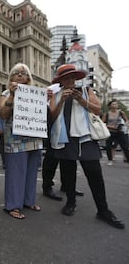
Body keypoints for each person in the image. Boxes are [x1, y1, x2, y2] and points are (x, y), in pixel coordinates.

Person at [49, 64, 124, 229]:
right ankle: (70, 202)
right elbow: (52, 116)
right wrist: (61, 100)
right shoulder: (56, 94)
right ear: (60, 80)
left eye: (72, 77)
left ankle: (103, 210)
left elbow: (97, 110)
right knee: (68, 174)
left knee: (95, 174)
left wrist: (81, 100)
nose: (70, 80)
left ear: (76, 78)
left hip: (86, 138)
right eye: (66, 77)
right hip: (64, 139)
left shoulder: (86, 90)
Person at [0, 63, 43, 219]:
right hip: (15, 139)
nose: (19, 75)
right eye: (15, 72)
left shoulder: (37, 94)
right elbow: (3, 114)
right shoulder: (6, 93)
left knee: (31, 171)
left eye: (23, 73)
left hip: (34, 138)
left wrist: (47, 100)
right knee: (16, 172)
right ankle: (13, 205)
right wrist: (12, 96)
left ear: (28, 78)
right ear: (11, 77)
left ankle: (28, 201)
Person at [102, 99, 129, 166]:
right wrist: (109, 126)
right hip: (110, 132)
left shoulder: (120, 112)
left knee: (125, 146)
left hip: (119, 131)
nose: (115, 105)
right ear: (110, 106)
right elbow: (102, 123)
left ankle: (128, 159)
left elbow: (126, 120)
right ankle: (110, 160)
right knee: (108, 146)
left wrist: (125, 125)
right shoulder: (107, 114)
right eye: (113, 104)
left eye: (116, 104)